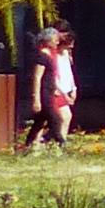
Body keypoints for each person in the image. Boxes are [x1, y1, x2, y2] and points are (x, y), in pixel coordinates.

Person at [35, 21, 78, 149]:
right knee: (55, 118)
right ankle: (54, 143)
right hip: (54, 90)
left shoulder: (65, 55)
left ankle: (56, 144)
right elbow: (53, 75)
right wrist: (63, 93)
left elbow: (68, 72)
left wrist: (73, 88)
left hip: (63, 89)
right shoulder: (49, 55)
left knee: (61, 117)